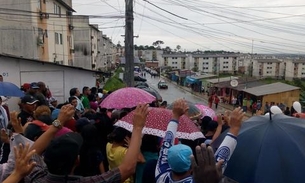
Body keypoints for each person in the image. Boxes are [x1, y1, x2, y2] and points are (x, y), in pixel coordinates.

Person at [25, 103, 149, 183]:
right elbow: (128, 169)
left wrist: (59, 122)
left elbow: (32, 152)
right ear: (77, 160)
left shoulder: (36, 177)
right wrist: (137, 128)